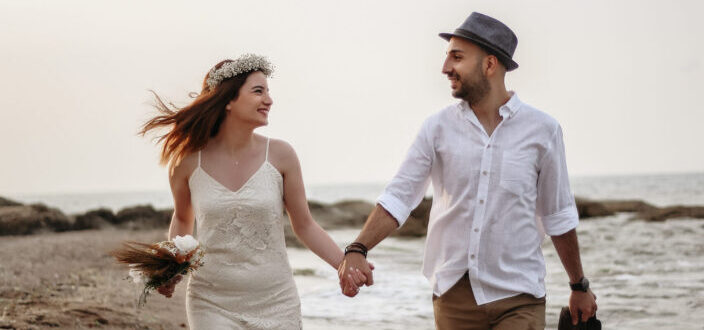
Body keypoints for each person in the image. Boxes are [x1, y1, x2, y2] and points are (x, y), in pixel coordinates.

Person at [338, 12, 597, 329]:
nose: (445, 68)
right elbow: (400, 195)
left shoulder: (543, 130)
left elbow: (558, 214)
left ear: (489, 65)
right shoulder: (436, 128)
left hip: (520, 297)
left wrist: (578, 286)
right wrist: (357, 247)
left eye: (457, 57)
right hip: (454, 297)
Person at [141, 54, 367, 329]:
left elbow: (305, 225)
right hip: (211, 302)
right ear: (227, 100)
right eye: (258, 91)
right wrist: (171, 267)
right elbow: (182, 218)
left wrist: (344, 266)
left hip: (277, 301)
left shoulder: (282, 156)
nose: (268, 100)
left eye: (268, 92)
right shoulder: (187, 161)